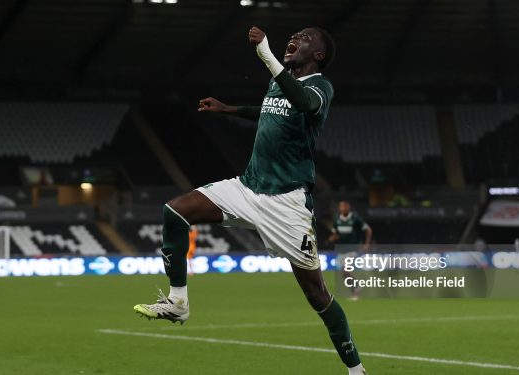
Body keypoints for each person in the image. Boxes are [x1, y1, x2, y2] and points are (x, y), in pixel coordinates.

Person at [133, 26, 366, 374]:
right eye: (295, 34)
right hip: (248, 187)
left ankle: (355, 369)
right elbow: (269, 112)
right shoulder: (279, 81)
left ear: (318, 55)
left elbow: (301, 103)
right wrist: (228, 110)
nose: (296, 38)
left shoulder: (320, 86)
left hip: (287, 202)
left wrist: (267, 56)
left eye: (305, 38)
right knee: (175, 211)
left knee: (317, 295)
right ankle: (178, 301)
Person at [328, 200, 372, 300]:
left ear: (348, 207)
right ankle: (356, 289)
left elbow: (368, 229)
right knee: (344, 273)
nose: (342, 208)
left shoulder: (355, 219)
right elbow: (335, 234)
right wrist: (333, 237)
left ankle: (356, 291)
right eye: (341, 207)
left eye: (344, 207)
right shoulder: (337, 220)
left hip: (352, 250)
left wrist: (367, 243)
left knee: (345, 271)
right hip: (341, 251)